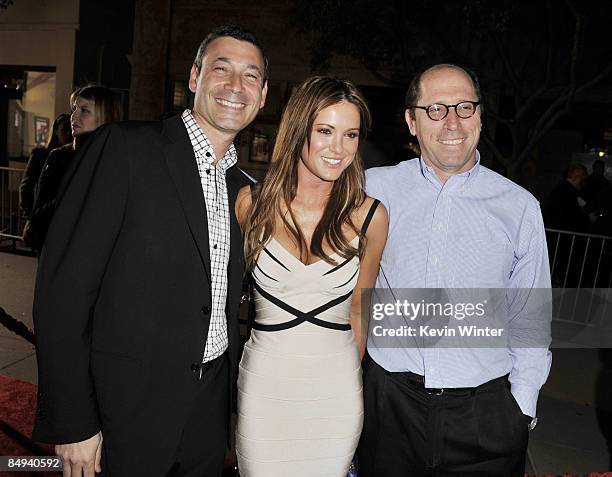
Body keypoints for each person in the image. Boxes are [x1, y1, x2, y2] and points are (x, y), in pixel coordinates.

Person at [32, 25, 268, 476]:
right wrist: (74, 422)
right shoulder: (123, 149)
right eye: (223, 69)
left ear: (262, 96)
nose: (236, 86)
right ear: (195, 78)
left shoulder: (245, 190)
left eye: (250, 76)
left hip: (208, 410)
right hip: (125, 410)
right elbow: (63, 293)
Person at [358, 64, 552, 477]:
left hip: (485, 416)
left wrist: (522, 405)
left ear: (480, 116)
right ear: (411, 121)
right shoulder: (371, 188)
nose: (452, 122)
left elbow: (531, 318)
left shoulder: (519, 207)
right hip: (390, 407)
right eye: (435, 109)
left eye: (465, 107)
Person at [234, 76, 388, 477]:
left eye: (350, 135)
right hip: (264, 386)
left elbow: (360, 312)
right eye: (325, 131)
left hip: (334, 390)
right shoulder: (251, 204)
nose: (338, 148)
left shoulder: (371, 217)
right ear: (299, 129)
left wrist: (341, 378)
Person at [25, 86, 121, 251]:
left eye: (84, 110)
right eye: (74, 108)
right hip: (57, 250)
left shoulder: (118, 160)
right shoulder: (59, 157)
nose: (74, 116)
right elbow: (39, 213)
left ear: (104, 116)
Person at [19, 113, 72, 248]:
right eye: (64, 129)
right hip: (42, 219)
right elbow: (26, 186)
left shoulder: (71, 157)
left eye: (70, 130)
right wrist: (31, 215)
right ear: (55, 131)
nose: (68, 134)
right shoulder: (40, 155)